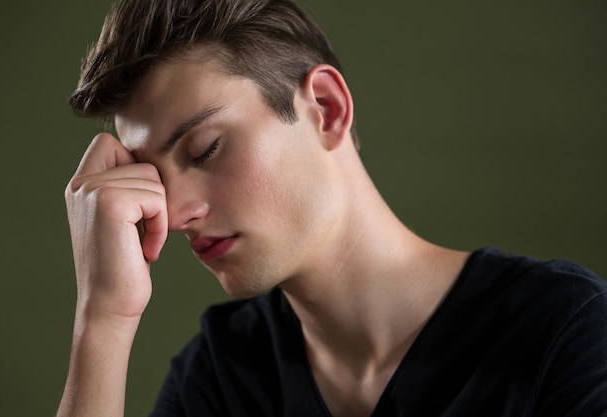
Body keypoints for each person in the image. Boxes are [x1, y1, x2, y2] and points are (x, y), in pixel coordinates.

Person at [56, 0, 607, 416]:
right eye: (153, 178)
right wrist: (103, 320)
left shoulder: (564, 335)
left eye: (206, 149)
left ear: (325, 107)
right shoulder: (222, 377)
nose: (173, 216)